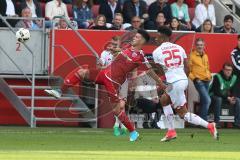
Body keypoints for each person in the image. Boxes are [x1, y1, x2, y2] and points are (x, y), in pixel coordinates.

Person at [44, 29, 167, 142]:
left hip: (113, 82)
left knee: (116, 110)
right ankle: (59, 92)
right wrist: (116, 51)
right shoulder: (128, 47)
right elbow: (123, 52)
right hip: (103, 73)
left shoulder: (140, 56)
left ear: (142, 40)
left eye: (136, 37)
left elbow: (150, 71)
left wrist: (161, 84)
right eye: (134, 36)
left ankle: (133, 132)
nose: (133, 38)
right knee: (81, 72)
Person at [152, 26, 218, 142]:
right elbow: (187, 68)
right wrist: (181, 81)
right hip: (182, 80)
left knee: (183, 114)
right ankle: (171, 131)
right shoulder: (179, 48)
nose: (156, 39)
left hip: (174, 83)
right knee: (164, 100)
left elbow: (161, 72)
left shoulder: (156, 52)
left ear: (163, 36)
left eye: (157, 36)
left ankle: (209, 126)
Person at [98, 36, 128, 136]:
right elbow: (100, 65)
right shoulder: (105, 53)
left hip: (123, 81)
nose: (114, 46)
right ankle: (119, 126)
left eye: (116, 44)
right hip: (111, 81)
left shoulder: (123, 53)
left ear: (119, 44)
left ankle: (119, 126)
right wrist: (102, 64)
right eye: (113, 44)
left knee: (122, 104)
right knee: (116, 105)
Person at [210, 63, 240, 128]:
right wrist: (228, 97)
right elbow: (216, 91)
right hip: (213, 96)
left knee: (237, 100)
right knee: (218, 99)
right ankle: (216, 122)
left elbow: (235, 90)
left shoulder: (234, 78)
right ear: (223, 70)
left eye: (230, 70)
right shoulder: (217, 76)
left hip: (225, 97)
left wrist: (233, 98)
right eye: (226, 70)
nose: (228, 71)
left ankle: (237, 123)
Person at [189, 38, 212, 121]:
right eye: (198, 45)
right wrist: (194, 79)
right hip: (198, 81)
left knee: (204, 101)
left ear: (204, 46)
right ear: (195, 46)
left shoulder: (205, 55)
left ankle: (200, 122)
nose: (200, 46)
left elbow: (208, 68)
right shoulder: (191, 55)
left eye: (201, 45)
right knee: (207, 100)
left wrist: (209, 76)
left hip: (207, 81)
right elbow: (188, 70)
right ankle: (204, 121)